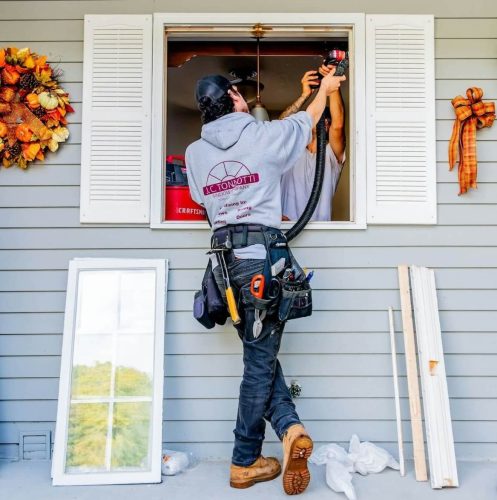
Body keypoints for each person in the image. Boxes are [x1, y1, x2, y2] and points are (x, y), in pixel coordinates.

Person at [186, 68, 345, 495]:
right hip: (261, 261)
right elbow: (308, 121)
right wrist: (326, 90)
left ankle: (291, 430)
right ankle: (244, 461)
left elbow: (203, 198)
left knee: (260, 354)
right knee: (258, 362)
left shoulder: (194, 153)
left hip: (224, 267)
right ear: (237, 98)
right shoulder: (261, 136)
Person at [280, 65, 346, 221]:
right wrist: (304, 95)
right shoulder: (291, 150)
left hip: (319, 234)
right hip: (286, 230)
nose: (322, 122)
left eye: (326, 120)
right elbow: (281, 126)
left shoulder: (331, 155)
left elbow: (338, 125)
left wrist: (331, 82)